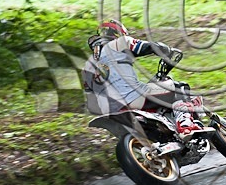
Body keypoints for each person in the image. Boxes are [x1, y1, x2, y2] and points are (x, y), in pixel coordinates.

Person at [82, 19, 213, 137]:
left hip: (110, 112)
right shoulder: (119, 43)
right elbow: (150, 47)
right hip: (133, 98)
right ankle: (185, 126)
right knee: (179, 88)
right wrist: (167, 50)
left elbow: (90, 98)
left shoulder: (87, 66)